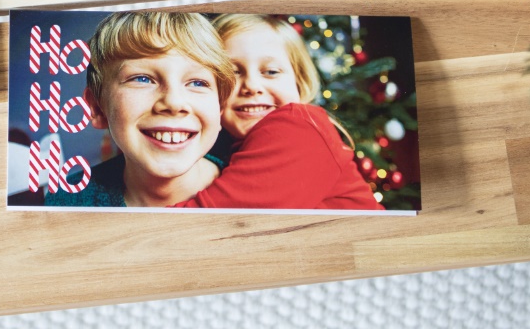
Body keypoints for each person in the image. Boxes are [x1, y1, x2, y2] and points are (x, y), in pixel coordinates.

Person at [172, 14, 383, 210]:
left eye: (271, 72)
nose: (252, 86)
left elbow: (209, 219)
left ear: (299, 83)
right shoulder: (230, 149)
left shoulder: (298, 127)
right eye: (233, 72)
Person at [46, 12, 236, 208]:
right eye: (142, 79)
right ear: (97, 107)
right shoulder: (67, 199)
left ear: (219, 107)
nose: (173, 102)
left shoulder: (253, 195)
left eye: (197, 82)